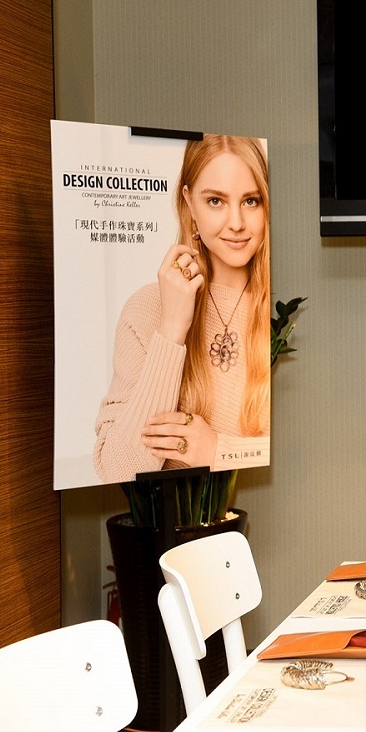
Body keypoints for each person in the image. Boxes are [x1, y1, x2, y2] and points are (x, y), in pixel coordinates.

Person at [94, 134, 271, 484]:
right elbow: (117, 469)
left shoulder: (285, 313)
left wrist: (217, 450)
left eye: (250, 201)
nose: (236, 222)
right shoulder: (146, 309)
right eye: (216, 201)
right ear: (189, 201)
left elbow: (313, 451)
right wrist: (172, 329)